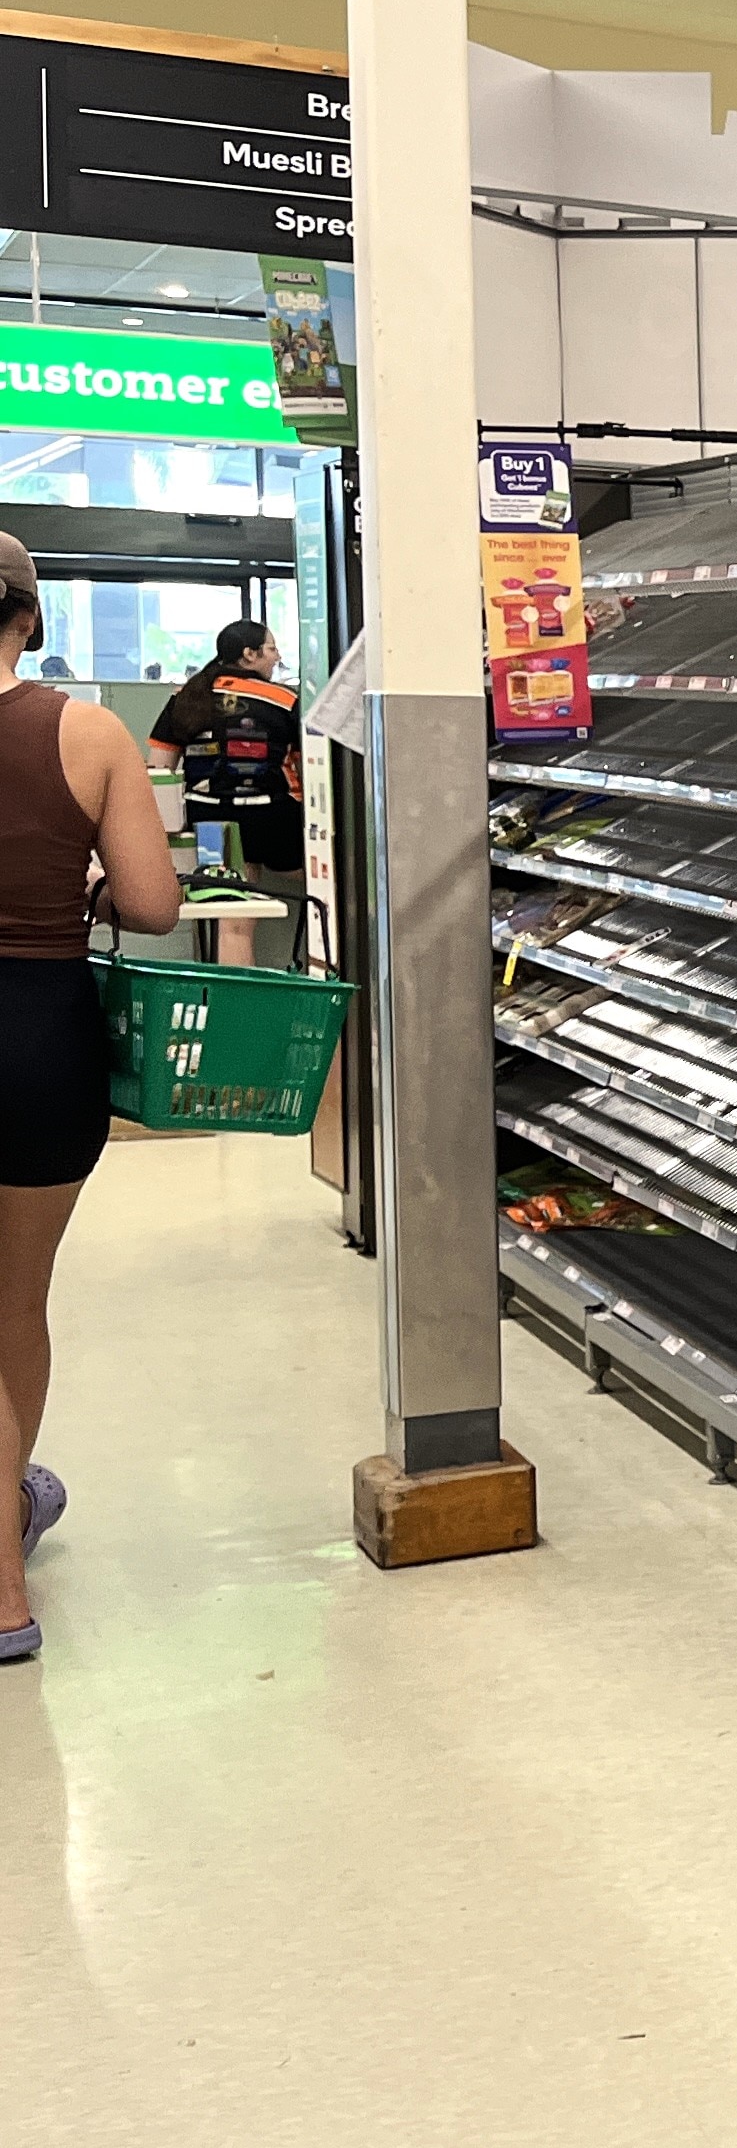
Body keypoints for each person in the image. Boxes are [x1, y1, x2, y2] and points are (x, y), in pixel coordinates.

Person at [0, 532, 180, 1661]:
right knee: (15, 1304)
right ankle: (5, 1575)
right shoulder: (88, 730)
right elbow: (157, 905)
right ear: (30, 615)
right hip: (38, 1036)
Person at [148, 619, 301, 889]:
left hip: (204, 818)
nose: (278, 657)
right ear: (249, 654)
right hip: (270, 819)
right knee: (333, 875)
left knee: (226, 897)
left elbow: (159, 768)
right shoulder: (283, 700)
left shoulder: (186, 696)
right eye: (272, 649)